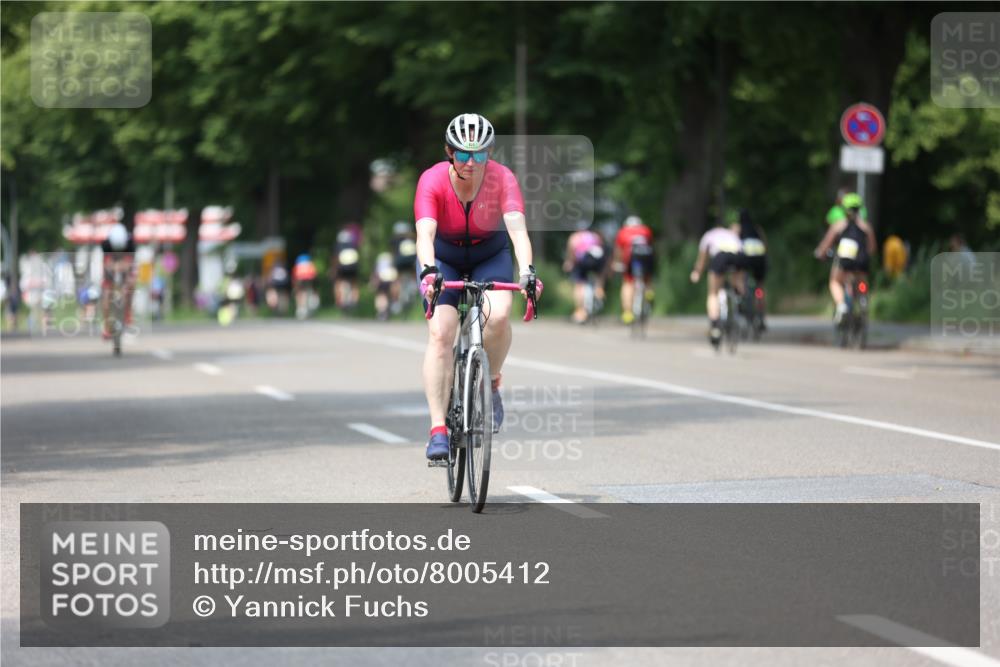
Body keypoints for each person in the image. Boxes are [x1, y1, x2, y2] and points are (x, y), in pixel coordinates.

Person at [414, 112, 537, 460]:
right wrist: (428, 271)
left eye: (480, 154)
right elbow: (425, 234)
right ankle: (438, 428)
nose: (472, 162)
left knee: (498, 317)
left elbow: (517, 232)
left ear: (490, 153)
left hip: (489, 255)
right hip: (443, 259)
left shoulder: (502, 179)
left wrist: (527, 271)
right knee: (441, 333)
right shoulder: (432, 180)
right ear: (449, 152)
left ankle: (491, 382)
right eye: (463, 154)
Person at [814, 193, 877, 323]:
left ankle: (841, 305)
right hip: (861, 262)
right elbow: (872, 248)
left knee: (834, 281)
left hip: (845, 261)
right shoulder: (866, 226)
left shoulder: (839, 225)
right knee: (862, 281)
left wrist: (820, 253)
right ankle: (863, 299)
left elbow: (826, 244)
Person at [690, 223, 744, 347]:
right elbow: (741, 250)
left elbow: (702, 258)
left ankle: (715, 327)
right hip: (738, 257)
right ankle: (739, 299)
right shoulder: (731, 235)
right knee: (737, 281)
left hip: (720, 257)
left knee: (713, 293)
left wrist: (697, 272)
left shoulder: (708, 235)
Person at [731, 208, 768, 331]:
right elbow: (764, 243)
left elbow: (734, 243)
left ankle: (741, 297)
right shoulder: (757, 228)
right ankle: (761, 315)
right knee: (760, 285)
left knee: (739, 276)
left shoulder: (738, 228)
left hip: (746, 256)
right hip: (759, 256)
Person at [562, 220, 606, 323]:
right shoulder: (595, 236)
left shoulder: (575, 237)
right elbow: (602, 249)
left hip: (583, 262)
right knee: (599, 276)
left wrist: (570, 262)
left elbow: (571, 252)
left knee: (579, 285)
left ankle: (580, 311)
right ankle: (599, 290)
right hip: (596, 262)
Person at [613, 215, 655, 324]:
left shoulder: (623, 232)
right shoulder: (646, 230)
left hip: (631, 258)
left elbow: (618, 251)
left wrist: (617, 263)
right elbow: (651, 244)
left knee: (628, 283)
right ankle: (649, 292)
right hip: (647, 256)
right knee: (647, 278)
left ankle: (627, 312)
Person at [100, 223, 136, 340]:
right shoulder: (106, 244)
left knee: (131, 284)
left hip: (125, 268)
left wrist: (125, 269)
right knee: (105, 295)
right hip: (110, 270)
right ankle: (106, 327)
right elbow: (106, 263)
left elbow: (130, 263)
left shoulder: (130, 244)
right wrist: (112, 267)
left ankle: (128, 314)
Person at [331, 223, 362, 310]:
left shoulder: (338, 246)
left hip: (342, 268)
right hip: (353, 268)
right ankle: (355, 300)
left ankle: (339, 301)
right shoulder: (353, 246)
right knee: (354, 284)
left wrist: (333, 269)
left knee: (338, 282)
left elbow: (335, 258)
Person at [390, 221, 418, 313]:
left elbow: (393, 253)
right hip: (412, 261)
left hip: (399, 262)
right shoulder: (413, 238)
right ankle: (415, 287)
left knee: (396, 280)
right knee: (414, 274)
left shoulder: (394, 239)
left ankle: (395, 301)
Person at [370, 251, 399, 321]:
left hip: (382, 278)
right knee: (387, 294)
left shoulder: (379, 263)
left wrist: (373, 283)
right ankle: (391, 306)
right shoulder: (391, 261)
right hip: (390, 278)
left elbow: (375, 273)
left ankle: (381, 310)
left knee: (381, 294)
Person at [292, 253, 318, 320]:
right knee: (309, 290)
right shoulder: (310, 265)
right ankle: (311, 305)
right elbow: (315, 276)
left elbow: (295, 278)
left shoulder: (298, 266)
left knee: (300, 293)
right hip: (309, 279)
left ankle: (301, 309)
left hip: (300, 278)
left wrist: (295, 288)